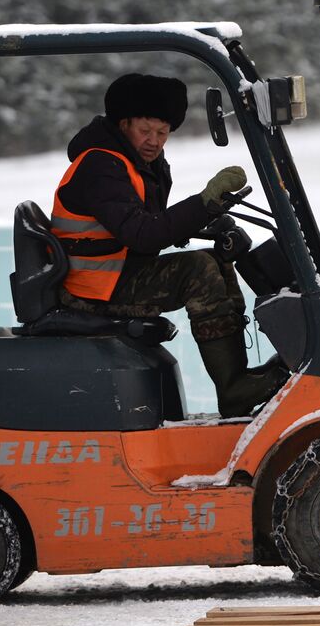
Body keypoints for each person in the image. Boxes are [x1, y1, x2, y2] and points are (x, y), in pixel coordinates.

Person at [51, 72, 284, 417]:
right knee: (198, 270)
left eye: (162, 133)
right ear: (123, 123)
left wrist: (207, 221)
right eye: (146, 130)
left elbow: (146, 229)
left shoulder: (143, 166)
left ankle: (237, 378)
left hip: (115, 275)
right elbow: (143, 233)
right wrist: (203, 203)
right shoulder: (101, 165)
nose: (154, 141)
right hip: (93, 287)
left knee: (216, 260)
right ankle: (233, 388)